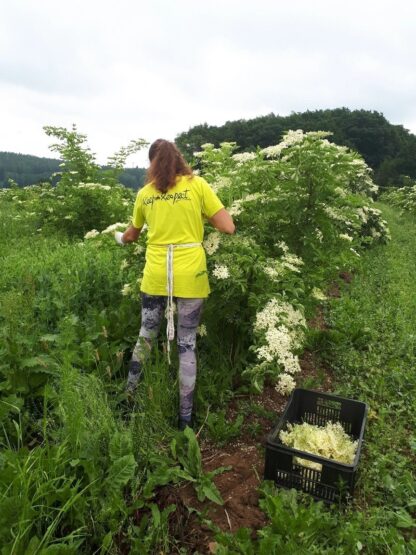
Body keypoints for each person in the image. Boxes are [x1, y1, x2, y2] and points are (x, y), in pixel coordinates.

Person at [115, 139, 235, 430]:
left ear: (152, 164)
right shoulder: (197, 186)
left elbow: (131, 236)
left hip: (156, 275)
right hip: (191, 276)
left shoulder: (145, 194)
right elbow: (228, 227)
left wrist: (118, 237)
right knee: (186, 344)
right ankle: (185, 420)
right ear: (179, 159)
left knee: (146, 335)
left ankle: (128, 399)